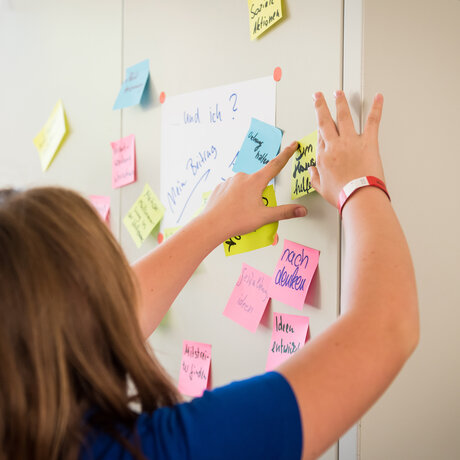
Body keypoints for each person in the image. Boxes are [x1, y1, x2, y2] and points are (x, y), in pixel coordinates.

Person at [0, 92, 418, 460]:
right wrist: (359, 185)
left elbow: (110, 314)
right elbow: (386, 328)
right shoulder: (167, 449)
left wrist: (212, 222)